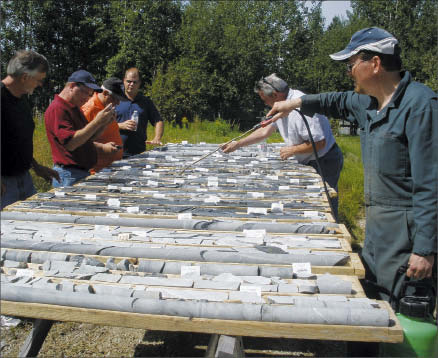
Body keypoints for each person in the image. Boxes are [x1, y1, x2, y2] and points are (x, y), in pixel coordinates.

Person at [267, 27, 437, 305]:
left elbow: (430, 183)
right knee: (373, 295)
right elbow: (333, 100)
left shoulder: (420, 105)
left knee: (401, 303)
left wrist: (425, 249)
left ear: (376, 63)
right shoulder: (369, 103)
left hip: (405, 231)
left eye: (351, 64)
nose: (348, 72)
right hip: (377, 224)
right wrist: (294, 103)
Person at [222, 73, 344, 219]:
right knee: (309, 200)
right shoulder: (281, 105)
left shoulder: (301, 106)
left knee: (326, 201)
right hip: (308, 159)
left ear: (275, 95)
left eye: (265, 100)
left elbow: (319, 143)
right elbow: (265, 131)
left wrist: (292, 150)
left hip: (325, 159)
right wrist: (238, 144)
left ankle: (331, 228)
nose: (265, 104)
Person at [1, 50, 60, 210]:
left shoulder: (22, 100)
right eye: (39, 80)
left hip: (24, 178)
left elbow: (18, 140)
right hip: (4, 183)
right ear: (25, 77)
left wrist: (36, 166)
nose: (40, 84)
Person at [44, 70, 120, 187]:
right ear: (72, 86)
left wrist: (104, 123)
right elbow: (71, 143)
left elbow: (88, 138)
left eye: (90, 95)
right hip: (68, 174)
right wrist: (97, 121)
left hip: (78, 173)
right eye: (85, 93)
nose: (87, 98)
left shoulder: (74, 107)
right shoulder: (58, 108)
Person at [81, 77, 128, 174]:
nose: (118, 103)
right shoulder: (89, 109)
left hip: (110, 167)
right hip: (96, 171)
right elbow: (80, 142)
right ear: (105, 93)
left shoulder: (107, 106)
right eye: (116, 98)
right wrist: (103, 148)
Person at [116, 67, 164, 157]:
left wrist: (157, 138)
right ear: (124, 81)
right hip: (115, 152)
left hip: (139, 153)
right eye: (129, 81)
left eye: (135, 82)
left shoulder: (146, 102)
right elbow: (103, 124)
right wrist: (121, 125)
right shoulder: (115, 99)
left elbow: (158, 121)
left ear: (139, 83)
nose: (131, 84)